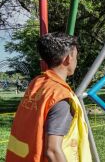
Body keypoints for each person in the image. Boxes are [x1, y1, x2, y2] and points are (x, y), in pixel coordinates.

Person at [6, 32, 92, 162]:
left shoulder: (37, 83)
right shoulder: (60, 97)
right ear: (68, 58)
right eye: (76, 57)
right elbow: (52, 151)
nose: (76, 61)